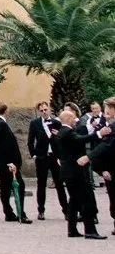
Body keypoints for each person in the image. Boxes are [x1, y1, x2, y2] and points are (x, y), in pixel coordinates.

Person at [55, 105, 104, 240]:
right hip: (75, 172)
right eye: (74, 118)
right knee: (86, 200)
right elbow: (81, 139)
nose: (76, 120)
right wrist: (99, 134)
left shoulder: (61, 131)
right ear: (69, 119)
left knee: (74, 201)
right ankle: (90, 230)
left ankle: (72, 229)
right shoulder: (67, 132)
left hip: (68, 172)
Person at [0, 103, 30, 223]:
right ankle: (20, 213)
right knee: (19, 187)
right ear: (6, 111)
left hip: (2, 162)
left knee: (5, 189)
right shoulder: (1, 124)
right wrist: (10, 163)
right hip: (8, 164)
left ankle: (9, 213)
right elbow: (4, 146)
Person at [29, 102, 69, 221]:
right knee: (41, 184)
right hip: (42, 157)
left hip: (55, 157)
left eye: (46, 109)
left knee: (59, 184)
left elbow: (62, 140)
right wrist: (34, 155)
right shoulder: (35, 123)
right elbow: (30, 141)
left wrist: (61, 156)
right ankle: (41, 210)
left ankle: (66, 210)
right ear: (38, 112)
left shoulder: (57, 123)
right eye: (41, 110)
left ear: (49, 109)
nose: (44, 112)